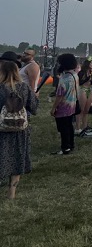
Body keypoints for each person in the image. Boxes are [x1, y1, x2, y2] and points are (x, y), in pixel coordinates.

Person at [0, 59, 38, 199]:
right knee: (17, 158)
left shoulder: (0, 88)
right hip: (19, 128)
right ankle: (12, 191)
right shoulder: (24, 87)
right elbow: (33, 107)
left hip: (2, 129)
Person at [50, 53, 78, 155]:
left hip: (63, 106)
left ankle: (65, 147)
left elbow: (59, 95)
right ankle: (71, 145)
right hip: (72, 104)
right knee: (69, 126)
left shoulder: (64, 78)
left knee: (63, 128)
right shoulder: (74, 75)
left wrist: (54, 108)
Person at [77, 59, 92, 133]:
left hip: (89, 90)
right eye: (91, 63)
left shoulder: (90, 72)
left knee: (86, 110)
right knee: (81, 110)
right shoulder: (81, 72)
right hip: (83, 90)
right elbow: (79, 82)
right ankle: (78, 128)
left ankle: (85, 126)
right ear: (87, 64)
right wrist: (87, 78)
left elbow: (90, 82)